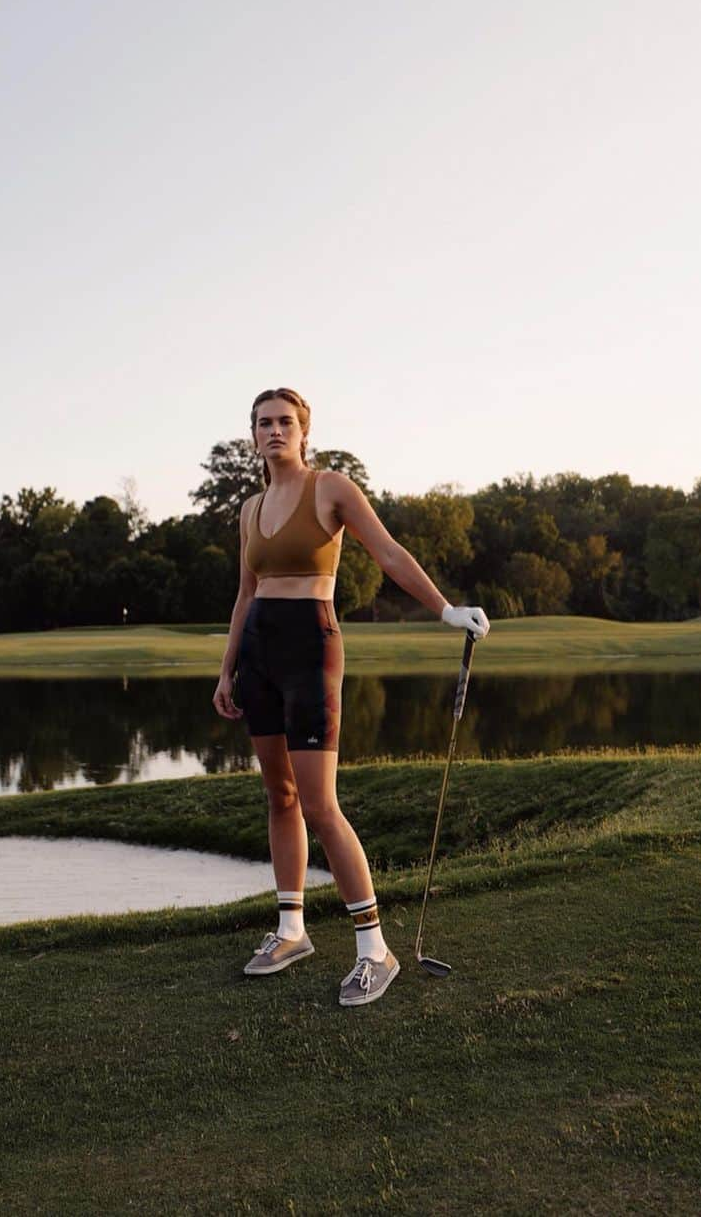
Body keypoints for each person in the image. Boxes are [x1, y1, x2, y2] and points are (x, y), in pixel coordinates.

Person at [213, 387, 489, 1007]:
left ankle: (374, 949)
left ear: (304, 432)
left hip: (311, 649)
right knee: (278, 795)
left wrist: (445, 610)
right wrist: (227, 671)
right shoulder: (249, 508)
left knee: (319, 802)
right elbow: (244, 592)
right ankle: (291, 931)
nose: (274, 431)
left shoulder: (331, 487)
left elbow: (387, 553)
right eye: (264, 423)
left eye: (285, 422)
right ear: (252, 434)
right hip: (259, 654)